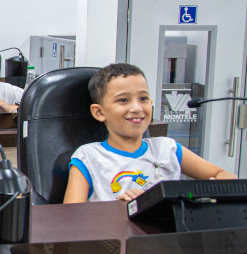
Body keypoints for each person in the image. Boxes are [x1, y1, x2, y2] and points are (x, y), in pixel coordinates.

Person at [63, 63, 236, 204]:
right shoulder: (88, 157)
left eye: (143, 99)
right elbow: (71, 217)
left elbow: (224, 174)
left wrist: (219, 186)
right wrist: (118, 210)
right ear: (99, 112)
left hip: (167, 239)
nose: (137, 108)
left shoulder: (167, 149)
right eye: (123, 100)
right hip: (115, 242)